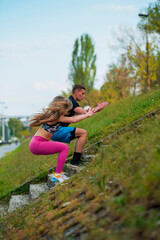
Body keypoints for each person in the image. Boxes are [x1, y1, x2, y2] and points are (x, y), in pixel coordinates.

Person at [29, 96, 95, 183]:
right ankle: (57, 175)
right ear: (62, 108)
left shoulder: (52, 115)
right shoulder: (56, 117)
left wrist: (85, 113)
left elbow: (72, 118)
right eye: (67, 110)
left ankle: (58, 174)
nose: (68, 112)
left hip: (35, 143)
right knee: (64, 148)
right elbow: (73, 119)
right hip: (37, 144)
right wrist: (87, 115)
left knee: (63, 148)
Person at [51, 85, 109, 166]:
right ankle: (75, 161)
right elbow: (85, 113)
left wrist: (97, 109)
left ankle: (75, 160)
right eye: (82, 93)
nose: (84, 96)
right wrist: (98, 108)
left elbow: (84, 114)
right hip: (57, 130)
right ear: (76, 92)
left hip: (54, 131)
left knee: (80, 134)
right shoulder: (72, 102)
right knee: (83, 133)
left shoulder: (70, 101)